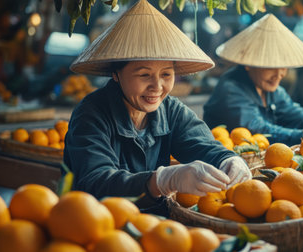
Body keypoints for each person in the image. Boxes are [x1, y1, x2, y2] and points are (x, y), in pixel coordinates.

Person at [64, 0, 251, 213]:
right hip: (97, 226)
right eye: (144, 75)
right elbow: (96, 182)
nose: (157, 87)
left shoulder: (171, 110)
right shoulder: (91, 114)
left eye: (166, 75)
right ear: (116, 74)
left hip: (156, 229)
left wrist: (228, 159)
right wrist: (162, 180)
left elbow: (203, 145)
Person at [203, 15, 303, 146]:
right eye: (271, 66)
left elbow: (296, 116)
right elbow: (259, 130)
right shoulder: (231, 89)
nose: (279, 74)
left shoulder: (274, 91)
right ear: (248, 63)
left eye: (284, 67)